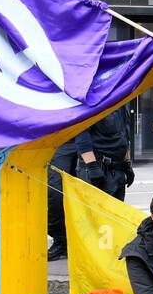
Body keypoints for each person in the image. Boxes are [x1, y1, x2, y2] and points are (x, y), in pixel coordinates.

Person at [47, 106, 134, 261]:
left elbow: (123, 135)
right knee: (56, 192)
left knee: (105, 209)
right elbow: (83, 132)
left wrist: (126, 163)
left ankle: (102, 250)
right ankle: (61, 240)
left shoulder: (119, 101)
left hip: (101, 152)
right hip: (65, 137)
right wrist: (92, 166)